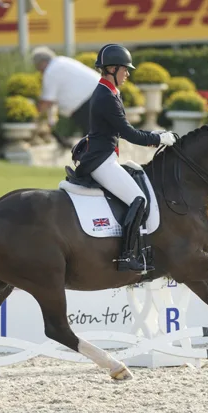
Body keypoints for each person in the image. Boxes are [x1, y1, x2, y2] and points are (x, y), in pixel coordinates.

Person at [75, 43, 177, 273]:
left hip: (106, 156)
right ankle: (126, 256)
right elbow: (129, 133)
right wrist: (159, 139)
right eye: (125, 69)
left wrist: (156, 136)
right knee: (138, 199)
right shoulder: (106, 96)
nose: (128, 73)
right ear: (111, 69)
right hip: (101, 161)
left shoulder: (109, 91)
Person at [31, 46, 100, 135]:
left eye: (37, 66)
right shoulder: (62, 61)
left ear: (42, 63)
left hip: (89, 101)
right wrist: (50, 119)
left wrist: (33, 117)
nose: (38, 70)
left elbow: (47, 101)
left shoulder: (50, 71)